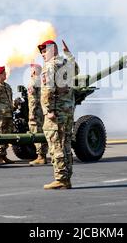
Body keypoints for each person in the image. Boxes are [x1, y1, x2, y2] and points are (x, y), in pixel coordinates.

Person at [39, 40, 78, 190]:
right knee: (65, 144)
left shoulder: (50, 66)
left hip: (56, 113)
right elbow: (76, 69)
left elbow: (47, 90)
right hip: (67, 111)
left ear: (52, 50)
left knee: (56, 145)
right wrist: (68, 54)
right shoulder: (65, 63)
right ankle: (66, 178)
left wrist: (49, 110)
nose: (43, 55)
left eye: (44, 51)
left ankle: (61, 178)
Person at [28, 64, 48, 165]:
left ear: (34, 71)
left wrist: (32, 113)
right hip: (42, 111)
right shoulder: (41, 81)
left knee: (36, 132)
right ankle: (43, 155)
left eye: (31, 69)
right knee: (42, 131)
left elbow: (33, 100)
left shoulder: (33, 81)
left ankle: (41, 157)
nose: (30, 71)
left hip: (36, 112)